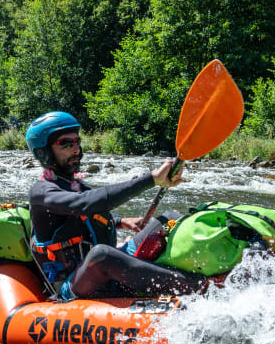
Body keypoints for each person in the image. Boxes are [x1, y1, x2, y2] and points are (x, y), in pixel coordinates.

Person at [26, 111, 207, 300]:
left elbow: (83, 217)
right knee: (102, 255)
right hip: (75, 283)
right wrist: (151, 179)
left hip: (108, 266)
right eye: (65, 143)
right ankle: (200, 287)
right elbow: (85, 204)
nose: (76, 149)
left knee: (168, 219)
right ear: (44, 152)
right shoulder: (41, 192)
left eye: (77, 141)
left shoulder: (77, 185)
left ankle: (207, 267)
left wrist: (120, 221)